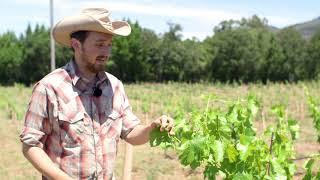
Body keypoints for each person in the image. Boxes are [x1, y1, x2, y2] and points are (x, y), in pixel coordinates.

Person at [20, 8, 174, 180]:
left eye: (109, 45)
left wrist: (151, 128)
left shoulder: (114, 86)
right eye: (100, 45)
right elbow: (31, 145)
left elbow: (130, 132)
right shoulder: (49, 87)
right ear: (77, 45)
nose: (106, 53)